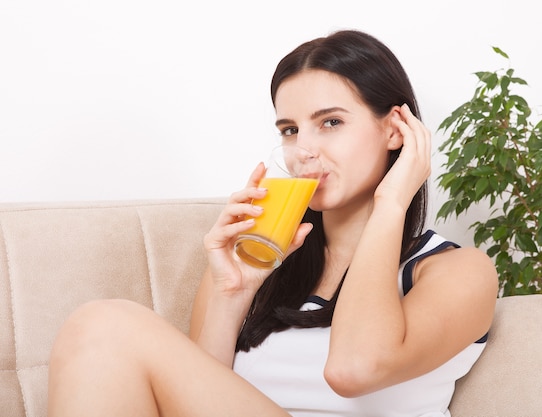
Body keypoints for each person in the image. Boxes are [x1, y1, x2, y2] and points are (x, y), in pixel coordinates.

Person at [47, 29, 498, 417]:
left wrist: (392, 203)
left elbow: (354, 370)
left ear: (396, 130)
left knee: (106, 323)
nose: (304, 149)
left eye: (330, 122)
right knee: (98, 328)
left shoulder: (459, 272)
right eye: (289, 130)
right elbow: (192, 401)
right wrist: (233, 293)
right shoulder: (264, 258)